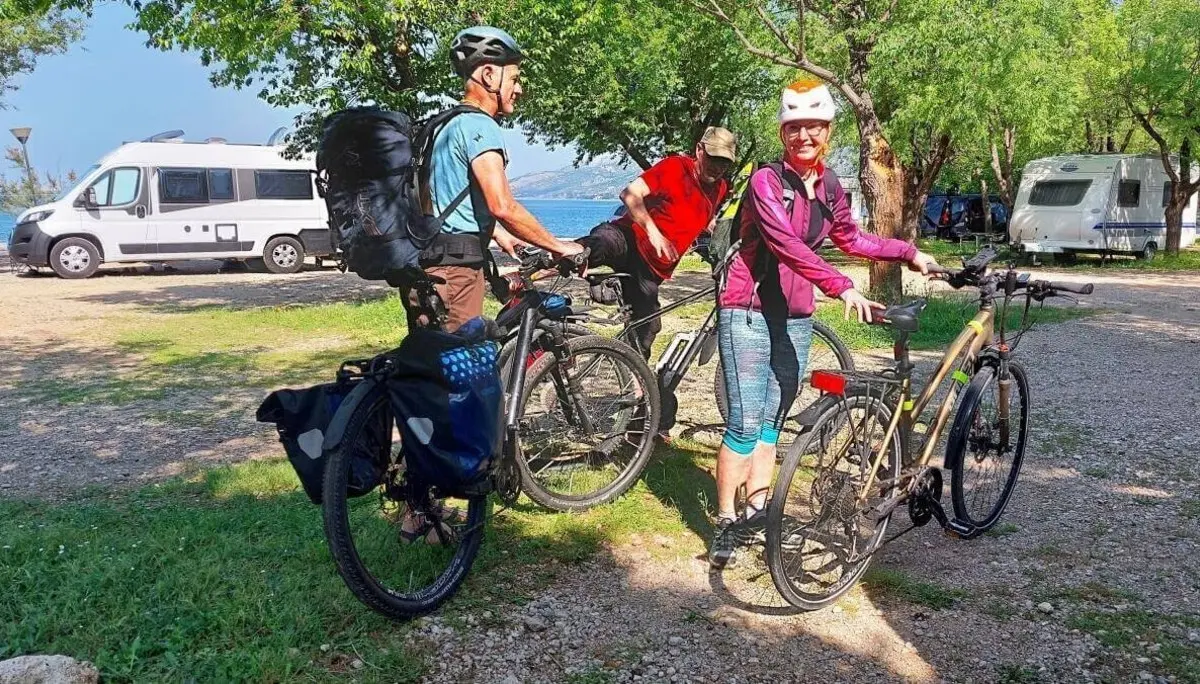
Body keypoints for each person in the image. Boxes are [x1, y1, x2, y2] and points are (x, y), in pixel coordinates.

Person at [708, 79, 939, 568]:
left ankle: (758, 511)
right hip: (747, 309)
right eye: (794, 128)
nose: (804, 136)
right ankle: (726, 520)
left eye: (813, 127)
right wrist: (842, 286)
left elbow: (853, 239)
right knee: (746, 423)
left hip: (795, 313)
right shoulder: (766, 182)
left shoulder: (831, 185)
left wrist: (909, 252)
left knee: (773, 420)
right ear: (783, 132)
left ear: (827, 131)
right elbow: (786, 247)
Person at [412, 25, 582, 333]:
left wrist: (498, 235)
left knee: (431, 369)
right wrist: (559, 246)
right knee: (466, 372)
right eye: (514, 79)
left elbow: (438, 203)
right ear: (489, 75)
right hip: (456, 274)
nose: (519, 90)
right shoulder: (481, 126)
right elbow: (503, 205)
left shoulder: (443, 125)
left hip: (427, 266)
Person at [576, 126, 737, 357]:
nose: (718, 167)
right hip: (628, 241)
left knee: (648, 327)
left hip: (649, 272)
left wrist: (726, 241)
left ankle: (635, 383)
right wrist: (654, 232)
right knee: (597, 245)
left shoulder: (719, 188)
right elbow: (630, 194)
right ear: (699, 150)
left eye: (725, 162)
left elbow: (704, 219)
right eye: (713, 158)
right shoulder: (675, 167)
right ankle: (535, 270)